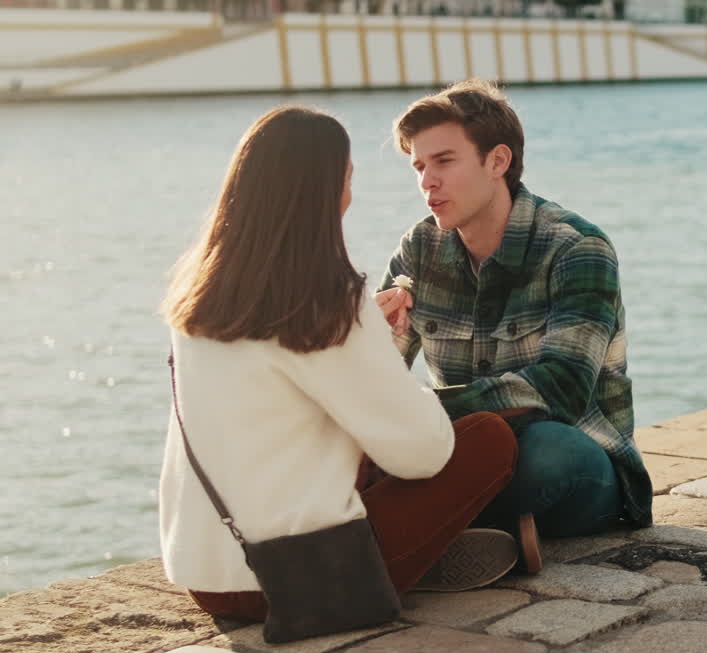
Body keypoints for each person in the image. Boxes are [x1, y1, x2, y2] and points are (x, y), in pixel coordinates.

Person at [158, 106, 523, 624]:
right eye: (347, 180)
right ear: (324, 192)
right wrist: (373, 346)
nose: (350, 196)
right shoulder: (324, 302)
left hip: (207, 578)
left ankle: (425, 555)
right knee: (489, 438)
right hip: (294, 577)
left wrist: (362, 338)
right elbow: (423, 452)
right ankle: (416, 559)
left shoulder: (197, 294)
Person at [373, 80, 653, 558]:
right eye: (419, 167)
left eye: (444, 161)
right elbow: (374, 381)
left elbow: (562, 387)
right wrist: (370, 336)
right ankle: (476, 535)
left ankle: (426, 533)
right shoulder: (419, 249)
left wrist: (426, 411)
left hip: (577, 459)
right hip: (464, 451)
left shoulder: (575, 248)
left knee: (544, 453)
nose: (426, 182)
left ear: (497, 161)